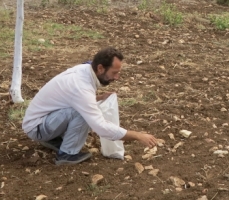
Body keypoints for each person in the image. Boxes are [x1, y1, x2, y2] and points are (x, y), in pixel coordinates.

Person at [22, 47, 158, 166]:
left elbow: (72, 100)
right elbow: (101, 127)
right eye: (114, 72)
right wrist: (138, 136)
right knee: (82, 113)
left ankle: (53, 139)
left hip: (42, 121)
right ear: (100, 68)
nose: (117, 77)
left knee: (82, 108)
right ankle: (67, 155)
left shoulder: (85, 69)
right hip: (38, 128)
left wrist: (98, 98)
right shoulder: (81, 87)